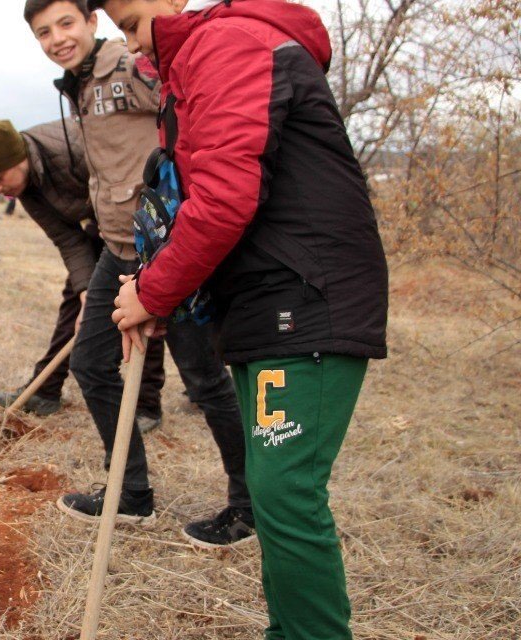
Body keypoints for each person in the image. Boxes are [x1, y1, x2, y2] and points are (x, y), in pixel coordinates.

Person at [101, 0, 389, 637]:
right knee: (271, 488)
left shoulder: (227, 45)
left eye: (129, 19)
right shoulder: (184, 73)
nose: (131, 40)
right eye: (118, 28)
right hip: (264, 301)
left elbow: (227, 198)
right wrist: (162, 290)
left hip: (306, 295)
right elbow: (196, 198)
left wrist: (155, 291)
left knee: (285, 491)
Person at [25, 0, 252, 547]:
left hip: (170, 249)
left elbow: (188, 112)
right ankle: (131, 493)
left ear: (91, 22)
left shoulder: (130, 64)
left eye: (65, 23)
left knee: (203, 380)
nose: (56, 38)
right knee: (90, 362)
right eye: (43, 32)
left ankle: (250, 504)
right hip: (117, 245)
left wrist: (182, 206)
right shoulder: (78, 84)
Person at [0, 119, 166, 422]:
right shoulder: (25, 186)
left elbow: (122, 182)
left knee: (140, 302)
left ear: (17, 159)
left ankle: (146, 404)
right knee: (76, 297)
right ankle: (46, 390)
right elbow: (67, 239)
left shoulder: (71, 147)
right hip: (96, 226)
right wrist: (87, 290)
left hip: (133, 217)